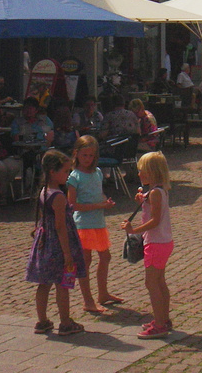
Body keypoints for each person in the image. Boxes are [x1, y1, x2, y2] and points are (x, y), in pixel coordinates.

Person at [28, 149, 86, 336]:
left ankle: (42, 320)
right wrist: (68, 254)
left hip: (45, 244)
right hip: (59, 246)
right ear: (53, 172)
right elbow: (61, 227)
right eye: (65, 171)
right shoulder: (59, 197)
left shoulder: (45, 191)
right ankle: (65, 322)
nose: (68, 176)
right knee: (63, 284)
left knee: (44, 283)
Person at [125, 151, 176, 339]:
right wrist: (143, 200)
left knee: (151, 283)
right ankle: (164, 318)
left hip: (155, 243)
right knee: (160, 282)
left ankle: (160, 324)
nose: (139, 174)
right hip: (164, 241)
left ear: (152, 172)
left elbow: (154, 220)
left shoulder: (155, 193)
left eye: (142, 171)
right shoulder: (158, 190)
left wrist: (133, 230)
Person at [67, 135, 120, 315]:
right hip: (83, 224)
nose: (88, 159)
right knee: (85, 261)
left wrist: (106, 202)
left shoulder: (97, 172)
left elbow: (99, 194)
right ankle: (88, 300)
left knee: (105, 257)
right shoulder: (74, 176)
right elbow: (72, 205)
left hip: (98, 222)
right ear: (77, 154)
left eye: (91, 155)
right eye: (84, 156)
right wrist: (99, 205)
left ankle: (103, 293)